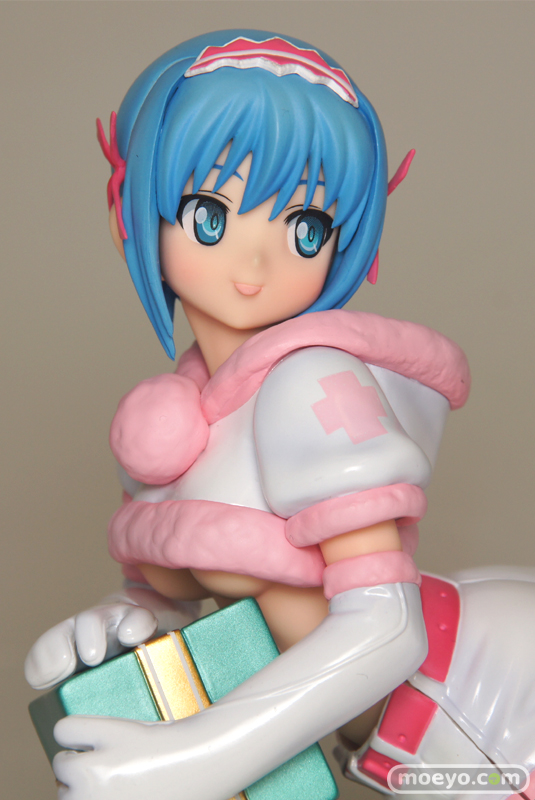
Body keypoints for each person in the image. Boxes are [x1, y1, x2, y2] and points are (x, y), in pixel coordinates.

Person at [24, 30, 471, 800]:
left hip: (471, 714)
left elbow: (389, 627)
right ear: (133, 211)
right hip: (363, 751)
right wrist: (127, 622)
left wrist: (198, 756)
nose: (255, 266)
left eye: (305, 230)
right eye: (210, 215)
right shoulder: (171, 415)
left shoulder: (310, 382)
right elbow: (199, 596)